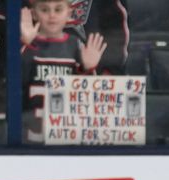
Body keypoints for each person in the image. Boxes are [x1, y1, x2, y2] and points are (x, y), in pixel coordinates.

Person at [0, 0, 129, 125]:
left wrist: (100, 82)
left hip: (82, 109)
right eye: (45, 10)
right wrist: (26, 22)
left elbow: (115, 41)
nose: (52, 16)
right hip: (22, 106)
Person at [21, 0, 106, 143]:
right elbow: (14, 83)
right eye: (45, 10)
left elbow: (87, 100)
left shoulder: (76, 46)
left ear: (69, 14)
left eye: (58, 9)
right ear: (34, 14)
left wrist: (87, 68)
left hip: (65, 136)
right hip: (27, 135)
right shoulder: (24, 44)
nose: (52, 15)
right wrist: (26, 44)